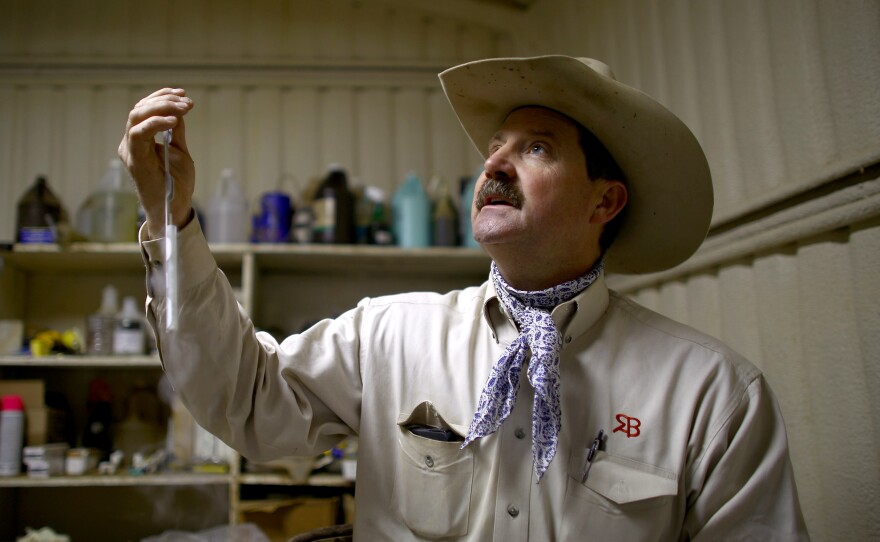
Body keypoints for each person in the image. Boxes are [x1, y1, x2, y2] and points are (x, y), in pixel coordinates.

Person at [120, 55, 809, 540]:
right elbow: (242, 398)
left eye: (537, 148)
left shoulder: (712, 393)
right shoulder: (387, 336)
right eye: (494, 146)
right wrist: (170, 221)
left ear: (606, 200)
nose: (494, 164)